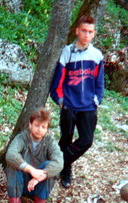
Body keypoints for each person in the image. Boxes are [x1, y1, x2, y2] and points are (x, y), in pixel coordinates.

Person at [50, 14, 104, 189]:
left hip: (88, 105)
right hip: (69, 104)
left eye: (90, 32)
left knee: (86, 140)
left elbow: (99, 81)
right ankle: (66, 170)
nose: (86, 35)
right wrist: (60, 100)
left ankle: (59, 163)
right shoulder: (67, 52)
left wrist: (97, 99)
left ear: (94, 34)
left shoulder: (96, 55)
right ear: (77, 31)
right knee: (66, 138)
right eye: (84, 31)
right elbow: (58, 79)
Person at [3, 108, 63, 203]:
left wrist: (38, 177)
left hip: (38, 185)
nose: (39, 130)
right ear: (30, 125)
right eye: (36, 125)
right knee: (13, 164)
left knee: (50, 167)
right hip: (20, 182)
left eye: (43, 127)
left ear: (47, 129)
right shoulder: (22, 137)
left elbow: (59, 162)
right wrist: (30, 169)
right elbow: (10, 154)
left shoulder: (49, 141)